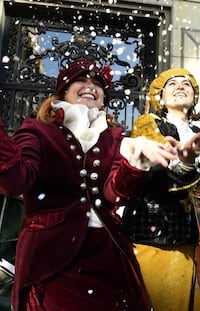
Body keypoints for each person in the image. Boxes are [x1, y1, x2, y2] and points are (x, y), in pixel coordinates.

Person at [0, 58, 178, 310]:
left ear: (104, 98)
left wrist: (136, 165)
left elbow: (114, 193)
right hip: (51, 259)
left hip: (107, 254)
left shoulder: (115, 137)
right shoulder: (37, 130)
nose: (90, 86)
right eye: (81, 80)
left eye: (98, 83)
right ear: (63, 91)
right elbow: (14, 181)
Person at [109, 68, 200, 311]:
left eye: (186, 84)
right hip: (152, 238)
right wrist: (184, 164)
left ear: (194, 98)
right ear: (160, 99)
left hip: (189, 240)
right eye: (171, 84)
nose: (180, 87)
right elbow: (154, 176)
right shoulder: (148, 124)